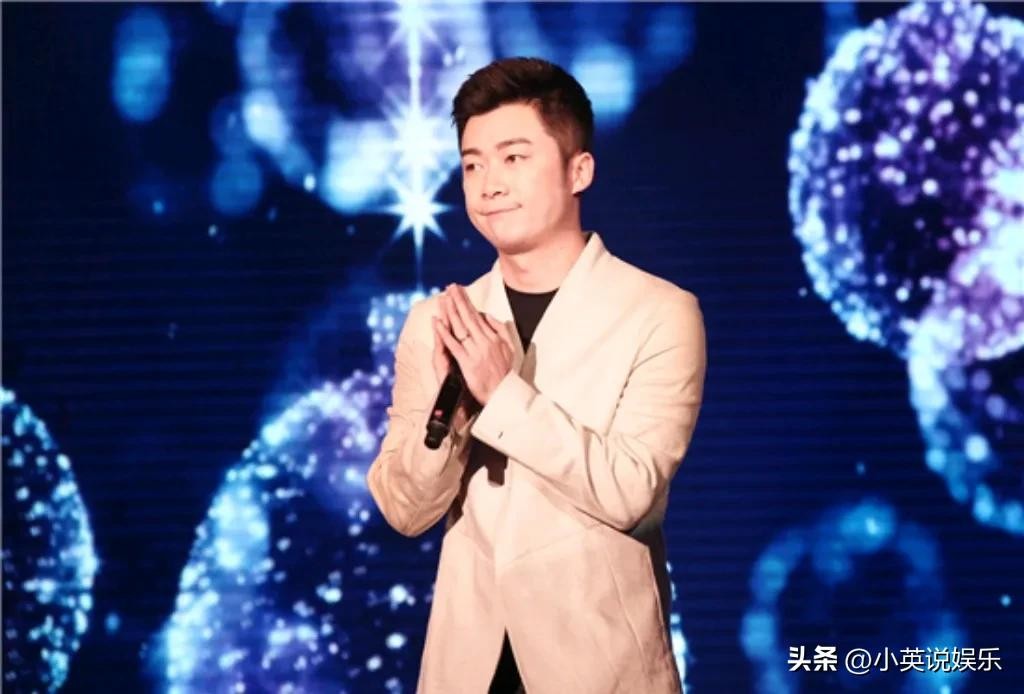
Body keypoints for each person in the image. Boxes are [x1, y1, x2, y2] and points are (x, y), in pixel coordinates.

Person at [367, 57, 706, 694]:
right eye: (472, 165)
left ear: (580, 170)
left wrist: (503, 395)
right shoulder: (439, 321)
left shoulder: (659, 312)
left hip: (599, 666)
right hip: (469, 667)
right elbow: (404, 510)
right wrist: (453, 419)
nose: (489, 184)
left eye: (514, 158)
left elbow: (631, 491)